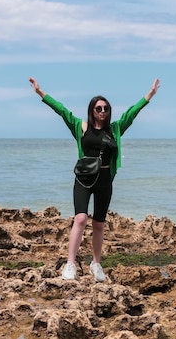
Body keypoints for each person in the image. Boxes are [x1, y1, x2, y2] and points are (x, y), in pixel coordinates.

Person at [29, 76, 160, 281]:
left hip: (105, 180)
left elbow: (132, 113)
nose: (102, 112)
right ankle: (70, 263)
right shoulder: (80, 127)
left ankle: (96, 264)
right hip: (83, 178)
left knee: (99, 224)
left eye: (105, 108)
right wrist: (40, 92)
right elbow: (61, 110)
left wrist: (150, 95)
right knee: (80, 218)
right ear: (91, 110)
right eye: (98, 108)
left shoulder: (115, 129)